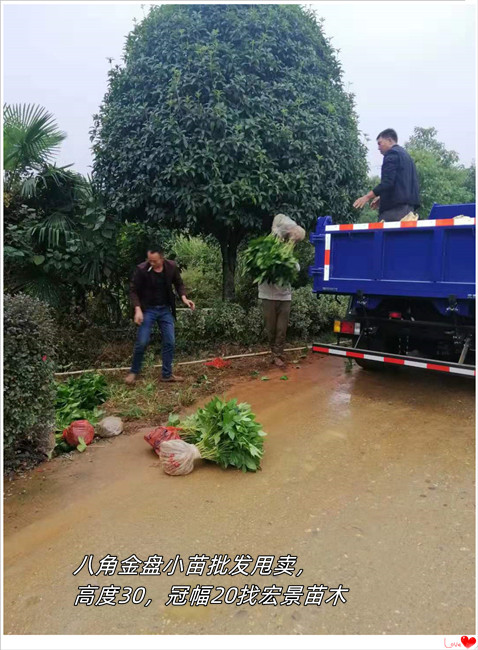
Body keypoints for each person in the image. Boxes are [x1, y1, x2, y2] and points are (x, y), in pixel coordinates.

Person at [125, 245, 195, 384]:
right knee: (142, 342)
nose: (151, 263)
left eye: (154, 261)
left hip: (165, 310)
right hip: (148, 310)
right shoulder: (142, 270)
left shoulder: (171, 267)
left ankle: (167, 374)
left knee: (170, 341)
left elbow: (179, 284)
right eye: (149, 260)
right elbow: (133, 290)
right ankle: (133, 372)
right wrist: (138, 309)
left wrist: (184, 298)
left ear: (162, 258)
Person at [258, 214, 305, 369]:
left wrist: (288, 259)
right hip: (267, 295)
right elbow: (261, 266)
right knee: (270, 328)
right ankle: (273, 351)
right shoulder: (267, 247)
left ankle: (278, 354)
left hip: (285, 296)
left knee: (281, 329)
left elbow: (297, 268)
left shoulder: (288, 250)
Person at [353, 128, 420, 221]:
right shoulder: (406, 156)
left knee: (384, 235)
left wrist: (366, 197)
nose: (378, 147)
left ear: (389, 140)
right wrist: (382, 197)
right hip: (408, 211)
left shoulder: (392, 154)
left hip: (394, 212)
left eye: (379, 143)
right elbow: (401, 184)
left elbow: (387, 182)